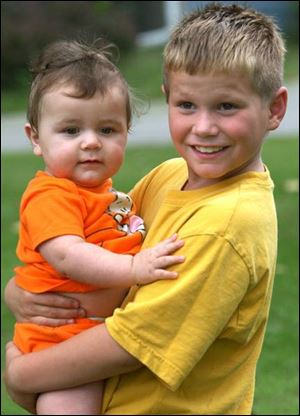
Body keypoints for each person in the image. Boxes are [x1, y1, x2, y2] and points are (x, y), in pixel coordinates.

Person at [4, 3, 288, 415]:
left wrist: (21, 374)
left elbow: (132, 342)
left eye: (226, 106)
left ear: (274, 109)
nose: (203, 127)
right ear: (168, 100)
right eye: (187, 105)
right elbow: (93, 242)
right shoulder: (170, 175)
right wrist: (19, 294)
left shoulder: (226, 225)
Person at [5, 39, 185, 415]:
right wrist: (134, 269)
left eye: (107, 130)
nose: (90, 142)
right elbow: (70, 255)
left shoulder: (106, 195)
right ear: (36, 138)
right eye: (71, 131)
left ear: (126, 132)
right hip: (61, 344)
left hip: (92, 338)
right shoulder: (50, 196)